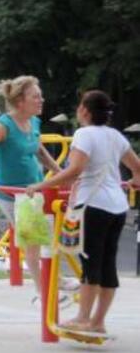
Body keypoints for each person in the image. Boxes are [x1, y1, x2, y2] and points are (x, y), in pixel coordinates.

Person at [26, 90, 140, 335]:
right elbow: (137, 167)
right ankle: (98, 321)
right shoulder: (115, 136)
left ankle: (82, 318)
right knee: (108, 264)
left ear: (85, 111)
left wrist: (41, 185)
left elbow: (75, 170)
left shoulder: (84, 134)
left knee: (90, 263)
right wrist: (134, 181)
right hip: (117, 207)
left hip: (93, 204)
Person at [0, 75, 64, 302]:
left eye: (40, 95)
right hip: (13, 194)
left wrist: (59, 172)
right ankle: (44, 291)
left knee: (46, 235)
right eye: (35, 96)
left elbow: (39, 150)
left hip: (34, 189)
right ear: (20, 101)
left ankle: (54, 281)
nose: (41, 100)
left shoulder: (34, 122)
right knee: (32, 241)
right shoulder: (3, 126)